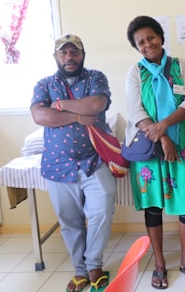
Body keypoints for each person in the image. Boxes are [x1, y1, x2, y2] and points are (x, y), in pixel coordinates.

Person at [124, 16, 185, 289]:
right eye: (141, 42)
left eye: (151, 37)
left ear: (161, 37)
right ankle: (159, 263)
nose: (147, 44)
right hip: (150, 148)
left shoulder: (181, 66)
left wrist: (166, 127)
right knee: (153, 205)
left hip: (182, 143)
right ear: (137, 47)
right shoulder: (135, 72)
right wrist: (161, 139)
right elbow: (136, 111)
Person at [30, 34, 116, 292]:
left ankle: (94, 264)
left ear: (82, 54)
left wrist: (60, 106)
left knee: (102, 211)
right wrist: (78, 118)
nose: (69, 57)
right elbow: (39, 115)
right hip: (58, 165)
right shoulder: (44, 84)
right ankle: (80, 270)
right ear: (56, 56)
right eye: (63, 53)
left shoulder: (95, 78)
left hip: (94, 161)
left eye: (74, 52)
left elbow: (97, 104)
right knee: (70, 221)